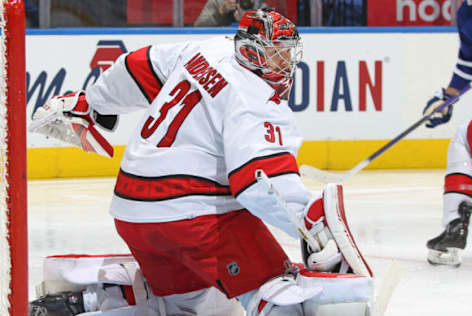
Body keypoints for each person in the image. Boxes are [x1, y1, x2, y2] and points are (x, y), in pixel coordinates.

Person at [30, 9, 373, 315]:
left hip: (132, 212)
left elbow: (136, 66)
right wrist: (310, 228)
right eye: (278, 56)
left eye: (287, 56)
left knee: (196, 309)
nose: (285, 65)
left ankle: (88, 301)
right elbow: (260, 182)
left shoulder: (209, 49)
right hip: (192, 218)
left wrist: (93, 101)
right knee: (278, 292)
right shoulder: (256, 98)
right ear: (253, 52)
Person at [424, 0, 472, 267]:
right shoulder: (469, 12)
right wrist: (446, 98)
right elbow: (470, 64)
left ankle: (455, 225)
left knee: (464, 142)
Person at [194, 0, 267, 26]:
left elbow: (270, 29)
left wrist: (246, 20)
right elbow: (199, 25)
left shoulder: (256, 4)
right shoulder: (217, 2)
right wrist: (221, 11)